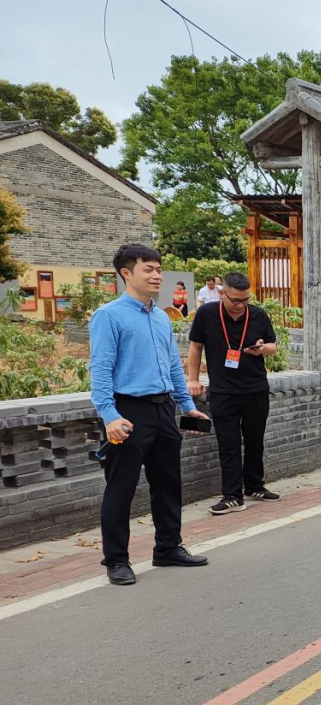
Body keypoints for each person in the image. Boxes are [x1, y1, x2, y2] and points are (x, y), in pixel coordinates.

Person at [88, 244, 210, 586]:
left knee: (168, 483)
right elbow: (100, 371)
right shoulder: (108, 316)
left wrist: (187, 407)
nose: (157, 275)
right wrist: (109, 416)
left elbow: (173, 366)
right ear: (126, 273)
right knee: (121, 489)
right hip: (127, 412)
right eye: (148, 269)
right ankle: (116, 560)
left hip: (163, 410)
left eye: (159, 269)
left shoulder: (161, 316)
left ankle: (168, 548)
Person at [186, 271, 280, 515]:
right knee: (228, 444)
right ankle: (232, 496)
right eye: (235, 300)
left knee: (255, 440)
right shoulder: (207, 314)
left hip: (255, 389)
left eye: (245, 300)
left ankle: (254, 486)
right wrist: (193, 379)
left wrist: (261, 350)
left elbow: (272, 346)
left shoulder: (258, 314)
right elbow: (196, 346)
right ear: (221, 293)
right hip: (223, 391)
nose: (240, 305)